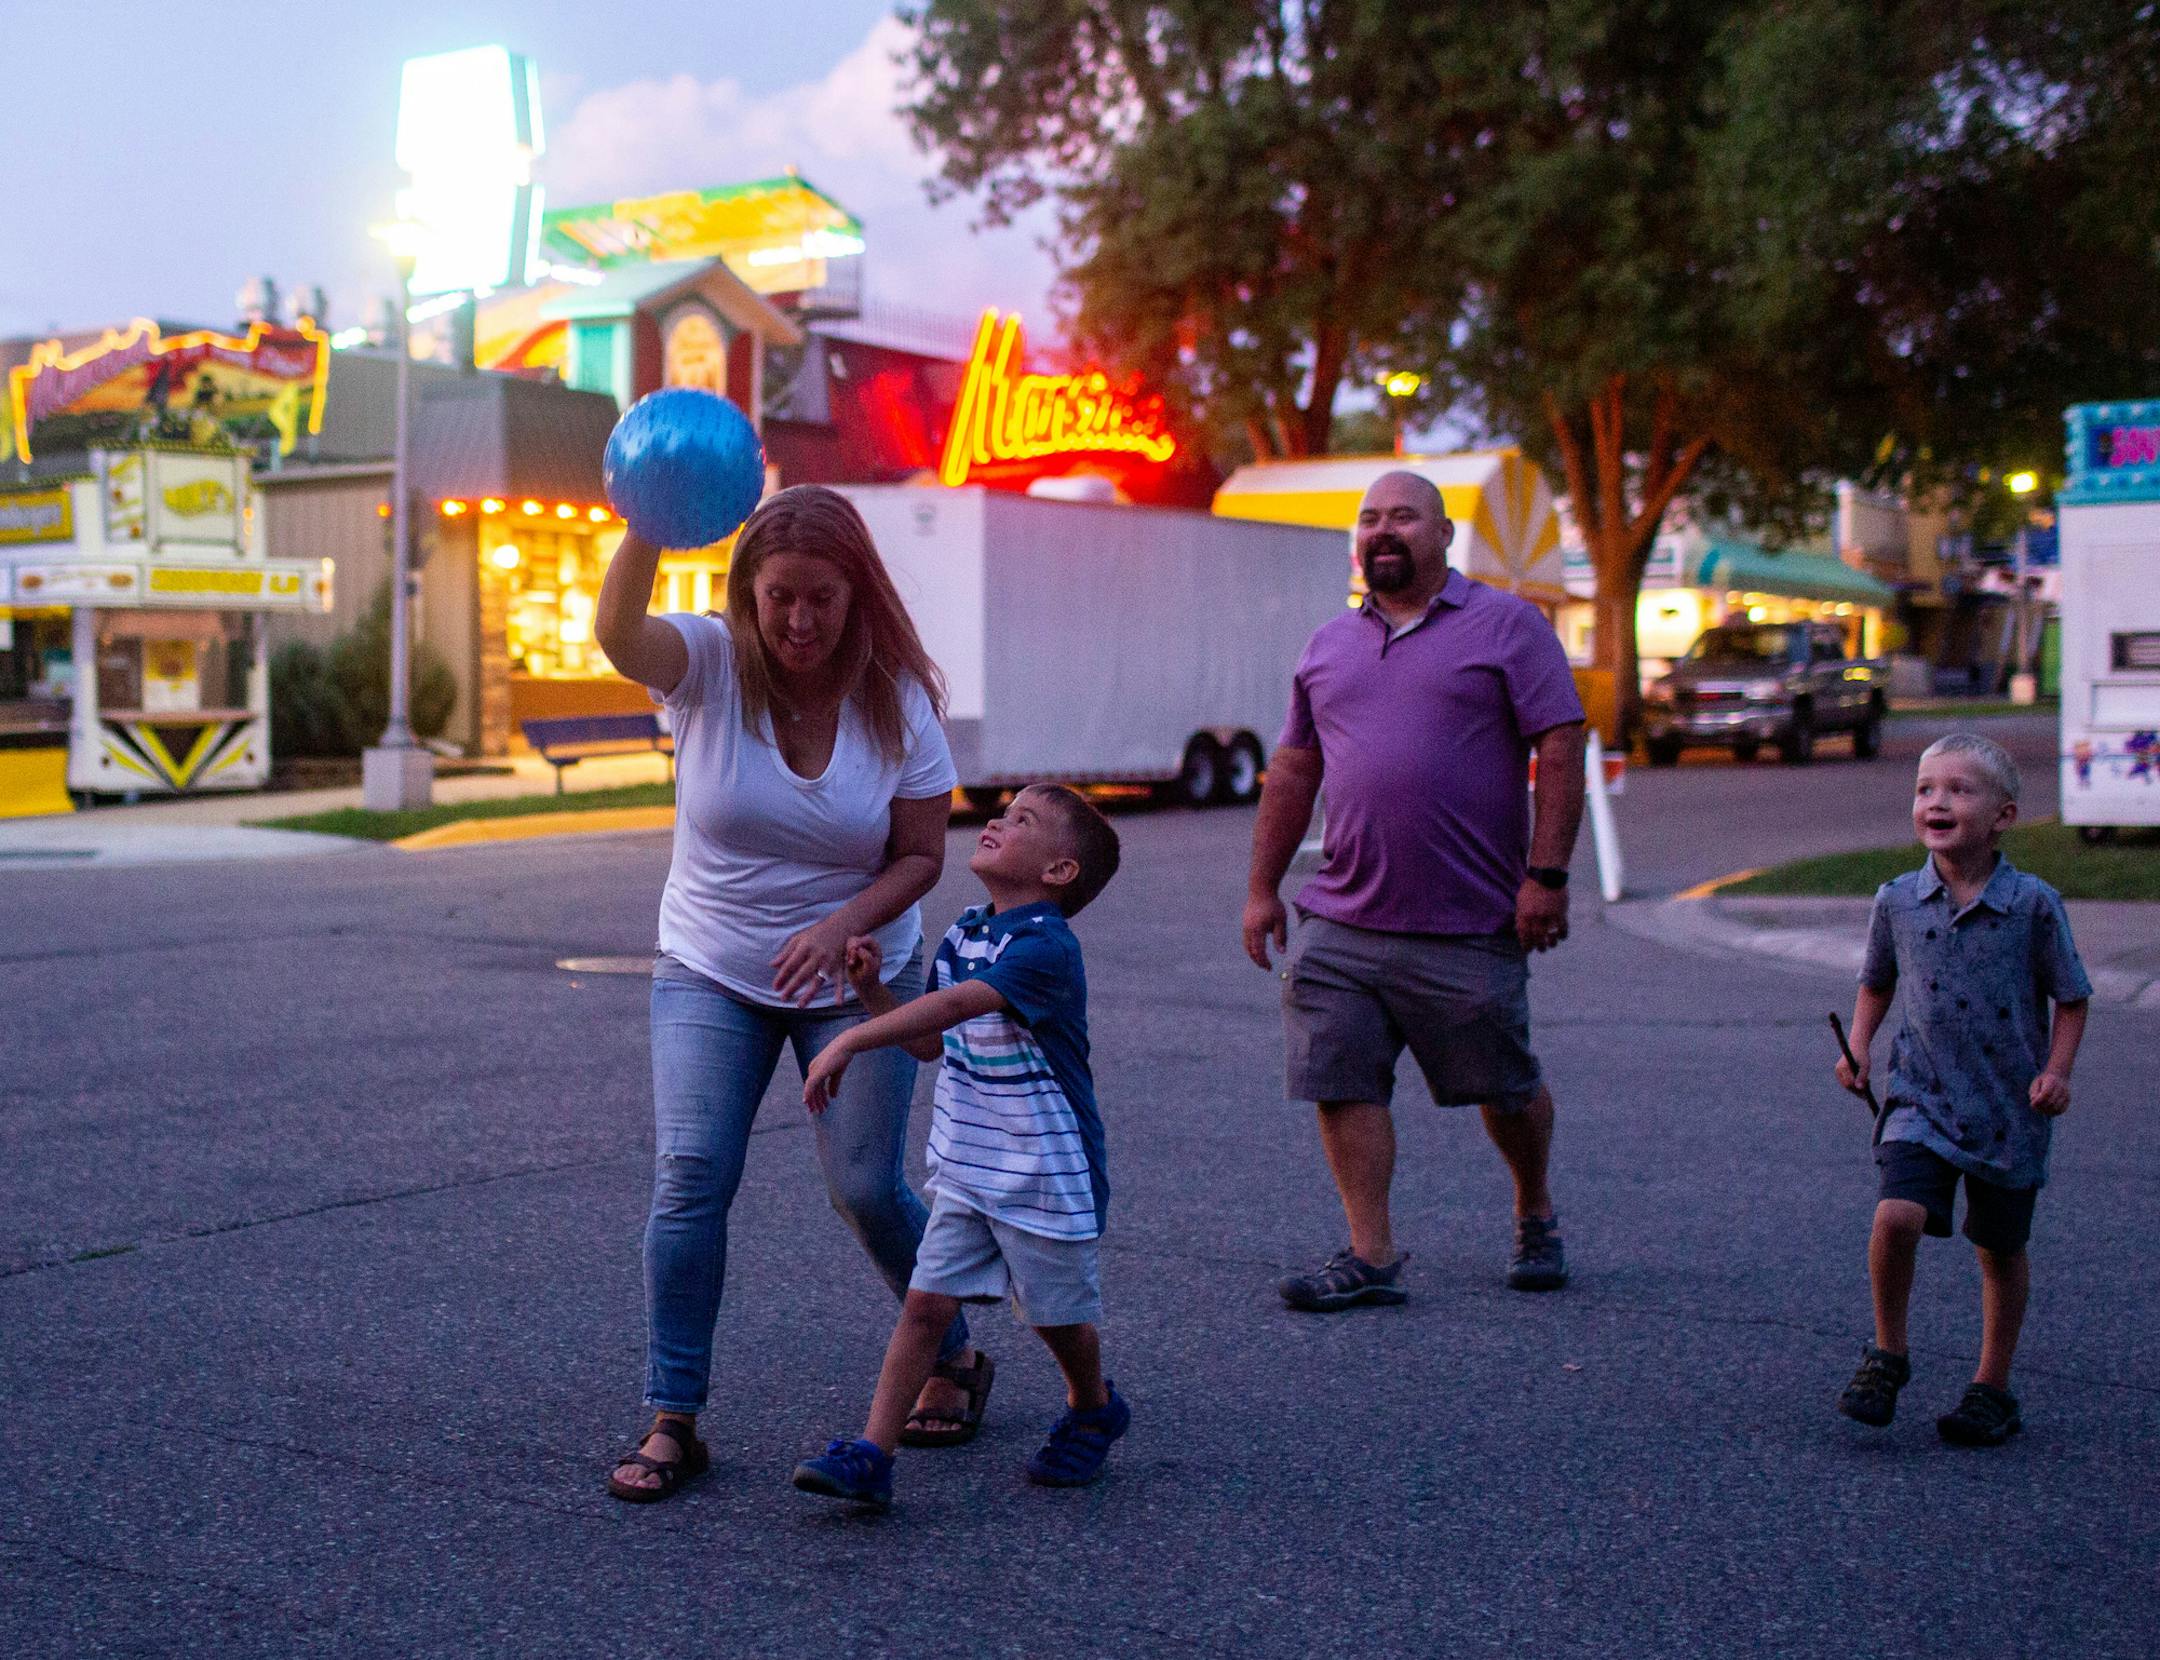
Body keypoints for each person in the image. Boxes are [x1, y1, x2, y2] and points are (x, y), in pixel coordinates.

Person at [593, 485, 992, 1504]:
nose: (801, 622)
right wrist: (648, 512)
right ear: (746, 593)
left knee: (866, 1187)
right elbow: (616, 633)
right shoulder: (707, 663)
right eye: (780, 598)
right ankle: (673, 1416)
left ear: (857, 595)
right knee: (690, 1173)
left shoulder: (896, 695)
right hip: (711, 964)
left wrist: (839, 925)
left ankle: (953, 1354)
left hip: (857, 968)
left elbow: (917, 856)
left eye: (822, 598)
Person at [1242, 470, 1588, 1310]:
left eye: (1403, 517)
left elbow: (1562, 744)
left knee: (1502, 1084)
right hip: (1343, 914)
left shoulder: (1509, 626)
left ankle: (1533, 1204)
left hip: (1470, 918)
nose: (1383, 531)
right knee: (1339, 1074)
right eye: (1369, 519)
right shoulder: (1328, 645)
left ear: (1443, 536)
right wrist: (1261, 888)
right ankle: (1371, 1253)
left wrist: (1545, 877)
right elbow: (1293, 768)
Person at [789, 784, 1126, 1509]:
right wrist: (874, 992)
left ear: (1059, 872)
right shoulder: (968, 932)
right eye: (1003, 810)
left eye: (1024, 820)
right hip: (971, 1167)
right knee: (924, 1309)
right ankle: (873, 1455)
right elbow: (927, 1040)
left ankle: (1091, 1403)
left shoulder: (1044, 946)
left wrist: (848, 1036)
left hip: (1044, 1172)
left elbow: (956, 1005)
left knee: (1054, 1317)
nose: (1000, 820)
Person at [1833, 733, 2091, 1446]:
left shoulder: (2033, 905)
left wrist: (2057, 1073)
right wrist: (1858, 1047)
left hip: (2011, 1107)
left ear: (2003, 815)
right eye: (1925, 789)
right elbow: (1877, 981)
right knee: (1896, 1218)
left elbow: (2072, 997)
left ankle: (1992, 1387)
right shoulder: (1897, 901)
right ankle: (1888, 1354)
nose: (1936, 801)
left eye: (1958, 790)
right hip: (1920, 1096)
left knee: (1998, 1249)